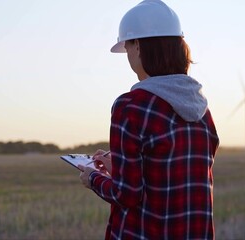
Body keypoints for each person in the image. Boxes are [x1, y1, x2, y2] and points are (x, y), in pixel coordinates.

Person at [78, 0, 220, 239]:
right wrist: (120, 167)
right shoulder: (203, 111)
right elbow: (171, 175)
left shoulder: (131, 106)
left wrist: (93, 178)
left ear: (138, 47)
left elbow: (128, 194)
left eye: (128, 45)